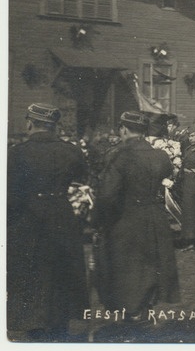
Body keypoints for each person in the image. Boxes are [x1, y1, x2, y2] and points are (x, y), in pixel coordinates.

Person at [7, 103, 90, 341]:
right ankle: (61, 320)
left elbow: (10, 195)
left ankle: (34, 324)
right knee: (61, 269)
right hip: (62, 214)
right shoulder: (72, 151)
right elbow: (82, 183)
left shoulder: (17, 152)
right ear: (54, 126)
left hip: (27, 217)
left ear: (30, 123)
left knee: (30, 269)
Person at [94, 111, 180, 321]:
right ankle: (143, 314)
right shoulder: (160, 156)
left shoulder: (117, 155)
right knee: (150, 268)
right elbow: (165, 174)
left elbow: (107, 196)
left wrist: (97, 221)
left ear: (123, 129)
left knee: (127, 271)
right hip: (154, 218)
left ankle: (130, 321)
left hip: (126, 219)